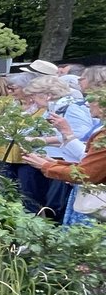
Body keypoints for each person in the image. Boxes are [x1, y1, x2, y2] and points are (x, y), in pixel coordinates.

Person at [23, 69, 106, 226]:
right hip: (70, 171)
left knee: (54, 210)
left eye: (91, 97)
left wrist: (48, 163)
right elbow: (91, 161)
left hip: (91, 193)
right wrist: (53, 164)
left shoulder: (72, 108)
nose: (87, 102)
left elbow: (88, 171)